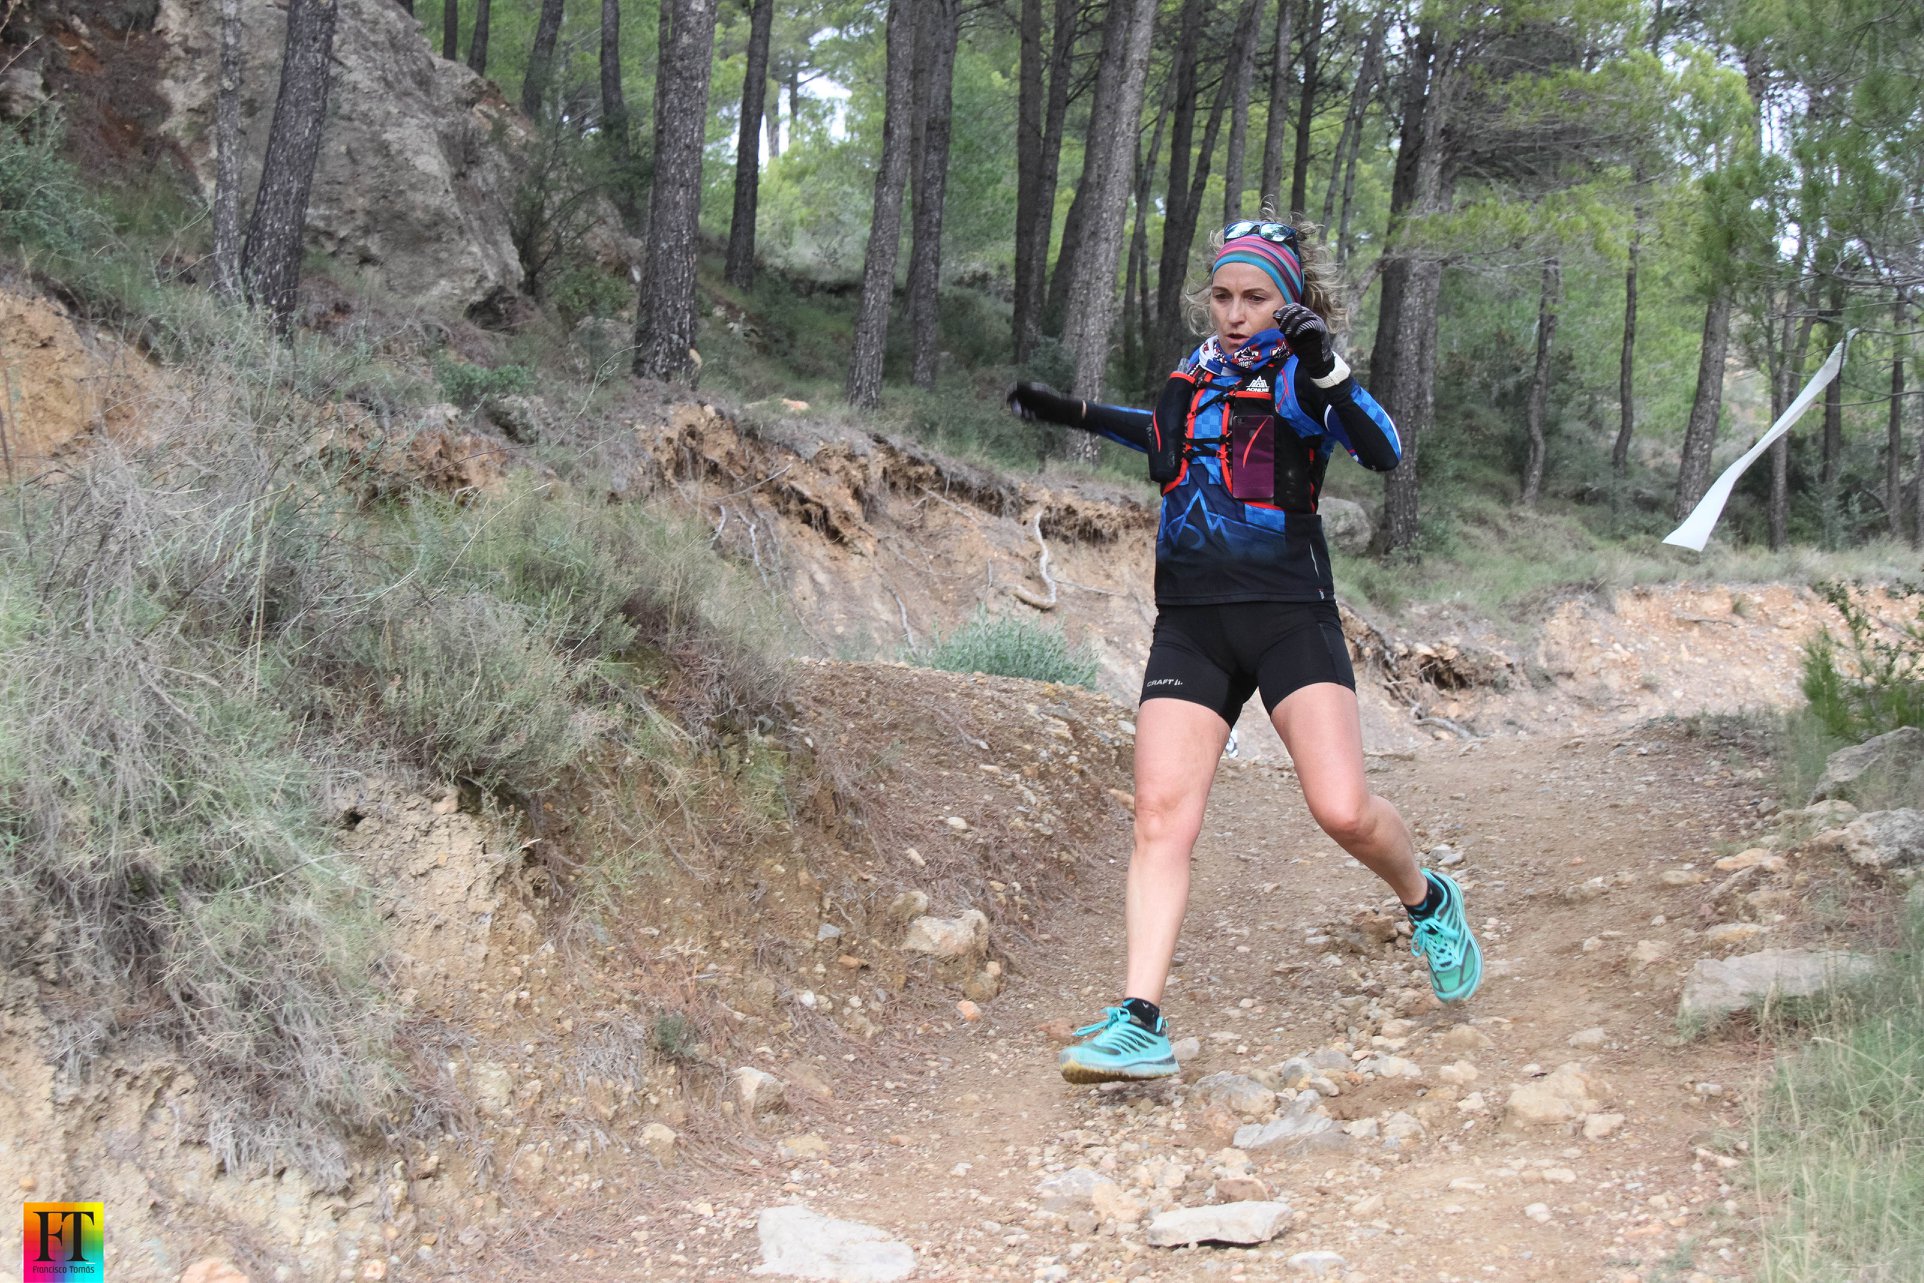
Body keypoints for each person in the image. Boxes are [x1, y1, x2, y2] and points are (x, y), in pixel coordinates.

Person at [1007, 219, 1482, 1084]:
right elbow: (1165, 440)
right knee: (1160, 818)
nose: (1234, 313)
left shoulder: (1304, 377)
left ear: (1287, 301)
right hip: (1191, 622)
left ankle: (1427, 897)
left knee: (1343, 810)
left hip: (1290, 615)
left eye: (1255, 298)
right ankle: (1140, 1020)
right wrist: (1072, 411)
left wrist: (1330, 366)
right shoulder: (1190, 376)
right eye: (1223, 296)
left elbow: (1383, 449)